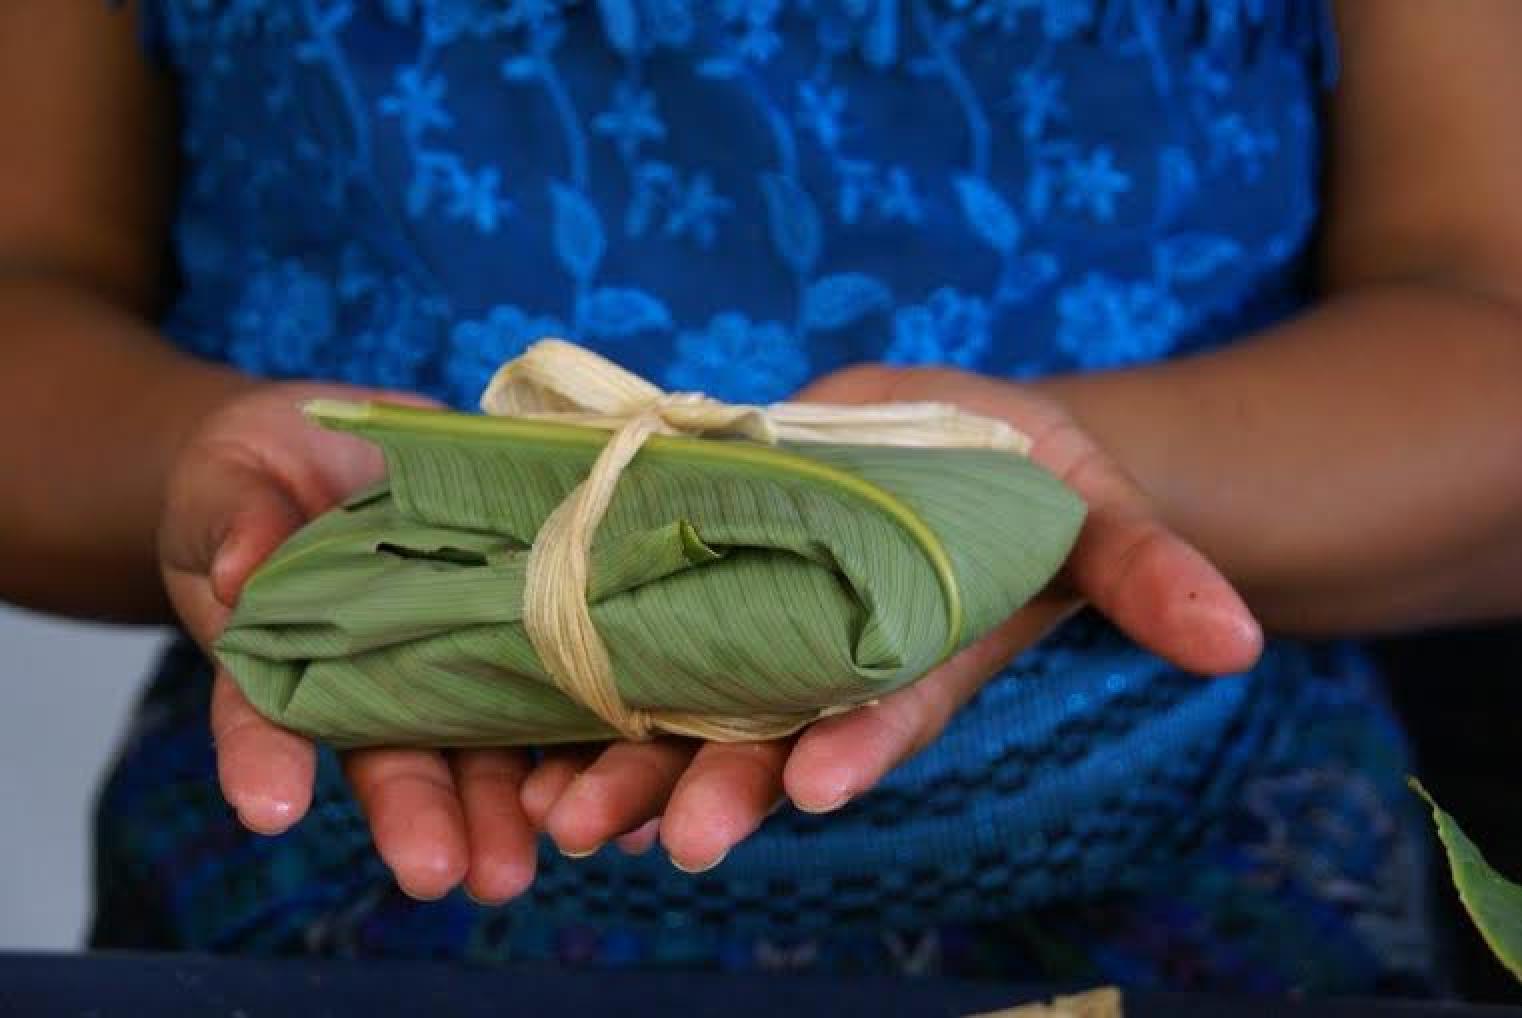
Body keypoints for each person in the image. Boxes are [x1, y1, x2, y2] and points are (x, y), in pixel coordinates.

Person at [1, 0, 1519, 995]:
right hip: (320, 892)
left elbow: (1485, 340)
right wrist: (227, 475)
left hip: (1199, 893)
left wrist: (1026, 500)